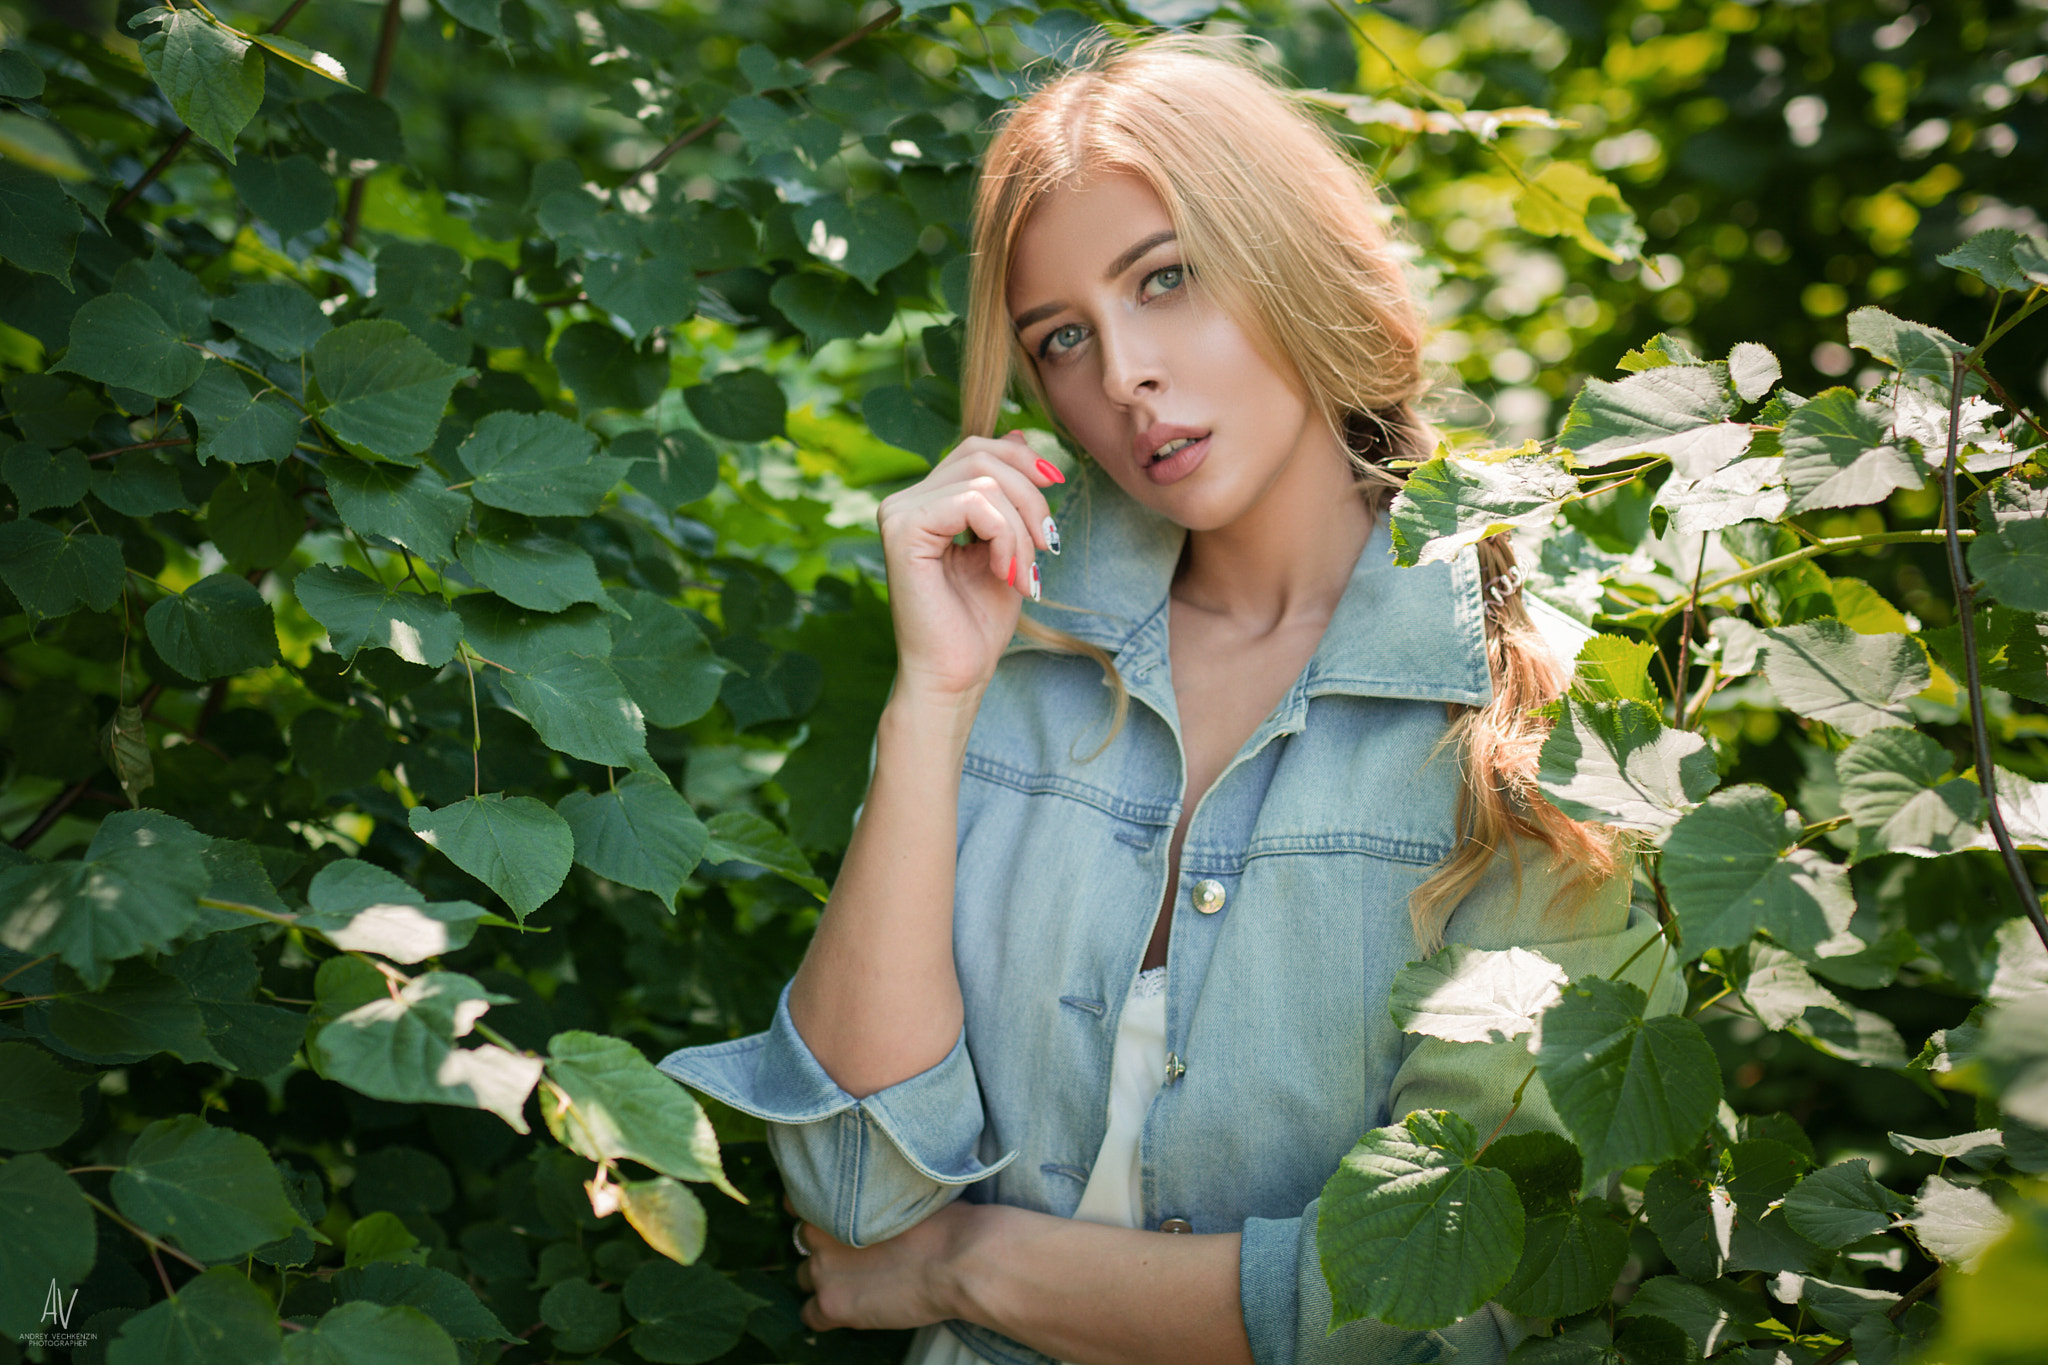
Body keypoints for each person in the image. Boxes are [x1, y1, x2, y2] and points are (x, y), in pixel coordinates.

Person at [659, 35, 1680, 1365]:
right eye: (1063, 338)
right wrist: (933, 699)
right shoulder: (1020, 659)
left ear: (1293, 256)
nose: (1122, 374)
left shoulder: (1533, 708)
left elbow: (1451, 1298)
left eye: (1166, 278)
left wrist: (970, 1264)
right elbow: (855, 1189)